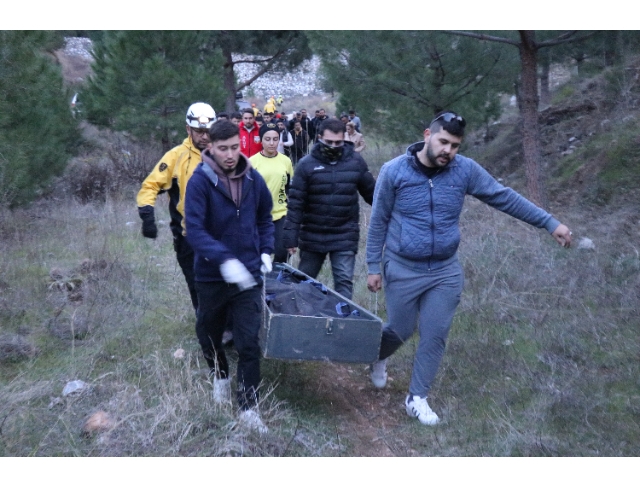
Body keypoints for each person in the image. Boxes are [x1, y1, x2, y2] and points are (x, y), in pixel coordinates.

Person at [366, 111, 573, 426]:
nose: (448, 150)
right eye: (443, 142)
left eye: (455, 145)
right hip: (403, 266)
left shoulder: (464, 171)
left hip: (445, 271)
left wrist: (549, 222)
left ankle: (416, 397)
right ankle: (379, 356)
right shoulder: (393, 172)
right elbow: (378, 220)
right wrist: (372, 266)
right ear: (427, 135)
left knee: (435, 333)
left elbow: (503, 197)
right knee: (400, 329)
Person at [185, 120, 274, 433]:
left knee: (249, 342)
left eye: (235, 147)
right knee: (208, 332)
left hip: (249, 274)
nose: (230, 154)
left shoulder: (253, 178)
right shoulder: (199, 182)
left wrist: (266, 250)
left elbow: (265, 218)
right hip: (211, 276)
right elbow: (193, 230)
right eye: (223, 148)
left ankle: (249, 409)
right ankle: (220, 375)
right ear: (210, 146)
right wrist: (223, 259)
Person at [283, 118, 376, 300]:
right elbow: (296, 203)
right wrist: (290, 237)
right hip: (312, 235)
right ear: (319, 138)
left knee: (344, 283)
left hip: (344, 235)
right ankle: (303, 320)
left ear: (344, 140)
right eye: (329, 142)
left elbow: (374, 195)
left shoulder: (355, 162)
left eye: (338, 143)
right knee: (303, 283)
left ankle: (344, 324)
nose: (334, 146)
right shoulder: (306, 165)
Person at [137, 102, 216, 312]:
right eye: (199, 132)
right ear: (188, 129)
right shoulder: (176, 156)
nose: (205, 136)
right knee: (197, 283)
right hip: (188, 234)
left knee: (223, 283)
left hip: (220, 231)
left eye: (208, 131)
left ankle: (228, 327)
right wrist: (147, 215)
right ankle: (208, 330)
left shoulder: (223, 153)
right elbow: (150, 185)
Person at [250, 124, 294, 263]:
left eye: (275, 139)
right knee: (259, 253)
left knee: (283, 251)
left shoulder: (285, 161)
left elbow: (289, 187)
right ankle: (263, 281)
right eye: (267, 139)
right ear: (261, 140)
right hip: (258, 216)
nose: (272, 143)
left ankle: (276, 279)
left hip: (280, 213)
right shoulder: (252, 162)